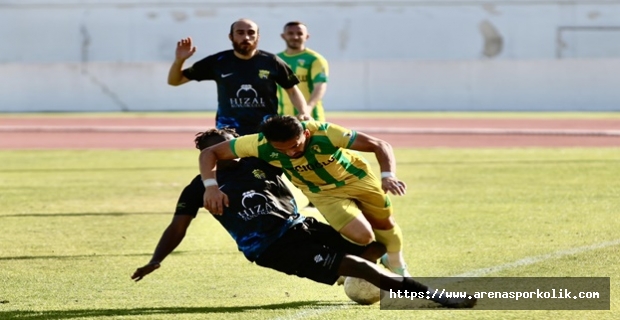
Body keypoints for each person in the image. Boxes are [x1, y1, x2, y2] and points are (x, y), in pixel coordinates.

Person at [131, 128, 476, 309]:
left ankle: (349, 274)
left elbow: (298, 158)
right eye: (218, 151)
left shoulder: (259, 161)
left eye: (229, 144)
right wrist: (156, 260)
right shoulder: (200, 189)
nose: (227, 153)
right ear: (207, 156)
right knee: (362, 267)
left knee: (371, 245)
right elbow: (178, 225)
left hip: (300, 226)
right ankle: (437, 296)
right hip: (271, 247)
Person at [199, 115, 412, 277]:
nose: (291, 153)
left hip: (358, 180)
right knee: (364, 236)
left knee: (383, 225)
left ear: (305, 134)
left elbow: (380, 145)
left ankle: (397, 265)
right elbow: (210, 152)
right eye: (282, 150)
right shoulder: (259, 143)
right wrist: (210, 186)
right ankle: (368, 265)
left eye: (295, 146)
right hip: (322, 193)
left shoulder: (326, 133)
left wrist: (388, 176)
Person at [167, 18, 312, 136]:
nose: (246, 37)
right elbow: (175, 81)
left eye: (251, 33)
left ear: (258, 37)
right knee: (231, 171)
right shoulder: (218, 62)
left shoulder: (271, 62)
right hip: (229, 131)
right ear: (231, 36)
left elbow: (292, 90)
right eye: (240, 33)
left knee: (265, 171)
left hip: (265, 130)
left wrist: (304, 112)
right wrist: (179, 60)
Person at [277, 21, 329, 122]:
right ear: (283, 36)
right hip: (282, 119)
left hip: (310, 117)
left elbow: (320, 86)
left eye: (300, 33)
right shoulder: (276, 60)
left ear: (307, 36)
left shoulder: (315, 59)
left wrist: (307, 109)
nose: (295, 37)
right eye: (291, 33)